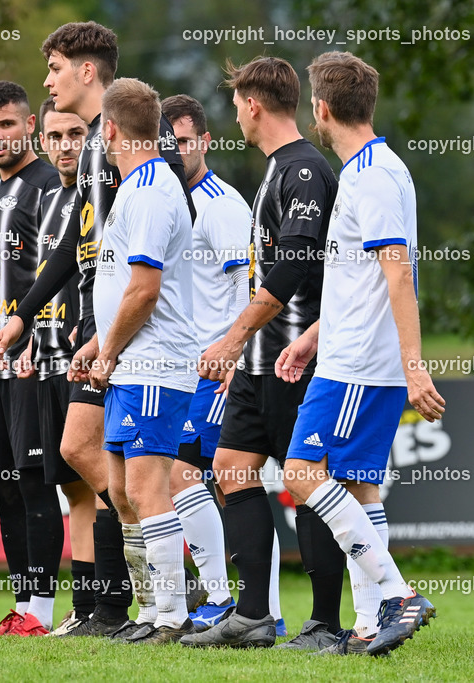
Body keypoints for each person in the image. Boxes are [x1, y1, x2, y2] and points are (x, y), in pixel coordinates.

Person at [0, 20, 201, 639]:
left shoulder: (131, 157)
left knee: (127, 469)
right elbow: (81, 252)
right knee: (94, 458)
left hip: (135, 339)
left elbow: (140, 267)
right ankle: (146, 595)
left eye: (54, 69)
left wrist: (103, 337)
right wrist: (24, 314)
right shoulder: (91, 153)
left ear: (86, 72)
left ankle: (166, 594)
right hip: (103, 333)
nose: (47, 82)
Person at [274, 50, 441, 657]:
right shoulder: (381, 167)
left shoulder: (369, 176)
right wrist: (313, 335)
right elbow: (365, 277)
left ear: (321, 109)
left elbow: (398, 275)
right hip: (352, 354)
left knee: (301, 474)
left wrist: (414, 366)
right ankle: (371, 624)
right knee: (361, 489)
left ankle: (397, 595)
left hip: (358, 368)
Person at [181, 56, 340, 650]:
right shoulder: (275, 171)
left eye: (236, 104)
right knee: (230, 471)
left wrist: (230, 338)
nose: (237, 115)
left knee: (306, 484)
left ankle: (324, 622)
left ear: (252, 104)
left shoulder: (303, 171)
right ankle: (252, 615)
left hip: (294, 358)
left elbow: (296, 265)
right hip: (255, 362)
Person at [71, 77, 198, 644]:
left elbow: (145, 291)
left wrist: (111, 350)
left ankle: (171, 614)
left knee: (147, 491)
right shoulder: (139, 185)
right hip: (128, 362)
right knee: (121, 493)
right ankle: (149, 611)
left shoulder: (149, 192)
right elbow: (124, 286)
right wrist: (98, 345)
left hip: (153, 365)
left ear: (111, 130)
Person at [160, 93, 285, 636]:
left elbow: (249, 283)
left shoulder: (222, 205)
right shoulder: (164, 200)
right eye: (168, 142)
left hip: (222, 366)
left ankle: (256, 607)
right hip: (184, 369)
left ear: (205, 142)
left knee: (216, 475)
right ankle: (229, 602)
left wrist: (238, 350)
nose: (176, 151)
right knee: (190, 477)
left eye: (185, 141)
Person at [0, 81, 64, 637]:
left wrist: (34, 342)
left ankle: (42, 612)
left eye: (5, 125)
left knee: (31, 479)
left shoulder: (48, 186)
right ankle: (21, 605)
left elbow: (59, 276)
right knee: (2, 480)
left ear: (29, 125)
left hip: (33, 359)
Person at [13, 97, 97, 631]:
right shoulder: (51, 200)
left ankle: (128, 599)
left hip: (85, 360)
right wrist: (29, 340)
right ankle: (87, 606)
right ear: (42, 138)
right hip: (46, 359)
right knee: (73, 488)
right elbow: (46, 278)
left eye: (75, 134)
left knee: (102, 482)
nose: (65, 146)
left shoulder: (94, 194)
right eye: (56, 136)